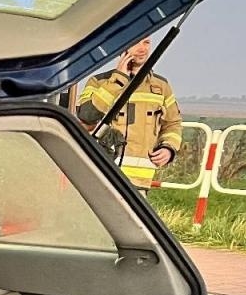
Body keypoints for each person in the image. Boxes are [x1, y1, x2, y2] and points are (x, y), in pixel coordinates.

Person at [75, 37, 183, 186]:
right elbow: (87, 116)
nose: (142, 49)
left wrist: (168, 148)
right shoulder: (98, 82)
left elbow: (173, 124)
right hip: (101, 176)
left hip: (139, 184)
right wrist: (118, 79)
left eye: (146, 42)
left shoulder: (161, 86)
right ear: (122, 46)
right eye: (136, 42)